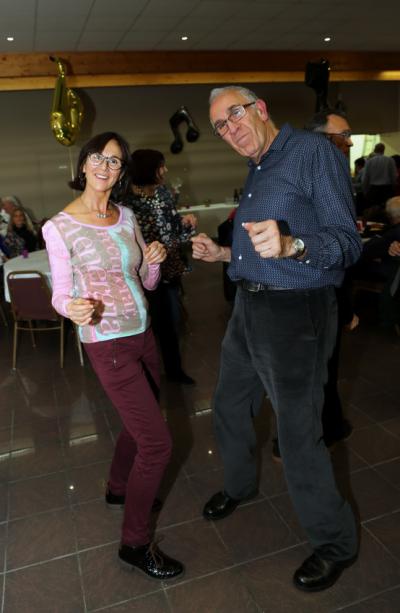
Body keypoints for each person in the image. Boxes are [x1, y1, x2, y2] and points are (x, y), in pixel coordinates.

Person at [191, 86, 362, 592]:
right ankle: (241, 485)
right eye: (220, 126)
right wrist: (224, 255)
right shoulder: (259, 166)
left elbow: (347, 242)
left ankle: (336, 543)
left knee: (297, 432)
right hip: (249, 307)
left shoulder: (311, 152)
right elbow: (257, 246)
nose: (230, 129)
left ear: (260, 109)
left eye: (234, 115)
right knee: (229, 404)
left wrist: (295, 244)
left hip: (296, 311)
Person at [42, 131, 184, 580]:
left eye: (115, 161)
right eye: (98, 158)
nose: (106, 167)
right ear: (83, 163)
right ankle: (134, 544)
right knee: (157, 444)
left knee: (140, 421)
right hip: (108, 343)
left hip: (144, 334)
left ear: (122, 171)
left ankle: (119, 488)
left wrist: (154, 259)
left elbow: (146, 280)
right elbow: (60, 293)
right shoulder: (59, 226)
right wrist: (72, 308)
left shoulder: (127, 217)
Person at [271, 110, 356, 462]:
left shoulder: (318, 171)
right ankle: (299, 443)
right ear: (320, 140)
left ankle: (328, 428)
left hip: (313, 289)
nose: (348, 143)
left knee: (318, 370)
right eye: (342, 136)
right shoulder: (310, 172)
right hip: (311, 291)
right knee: (311, 372)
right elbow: (331, 250)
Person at [125, 148, 197, 385]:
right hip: (144, 274)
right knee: (146, 328)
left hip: (170, 269)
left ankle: (174, 371)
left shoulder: (163, 192)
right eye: (161, 165)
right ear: (147, 169)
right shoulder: (126, 202)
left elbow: (173, 227)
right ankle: (145, 376)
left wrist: (186, 224)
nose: (165, 169)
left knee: (170, 324)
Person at [362, 143, 397, 207]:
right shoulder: (390, 160)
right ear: (384, 150)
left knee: (374, 209)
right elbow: (393, 176)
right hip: (387, 189)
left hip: (373, 189)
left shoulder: (370, 161)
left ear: (375, 150)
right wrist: (393, 188)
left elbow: (365, 178)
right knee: (386, 209)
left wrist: (365, 191)